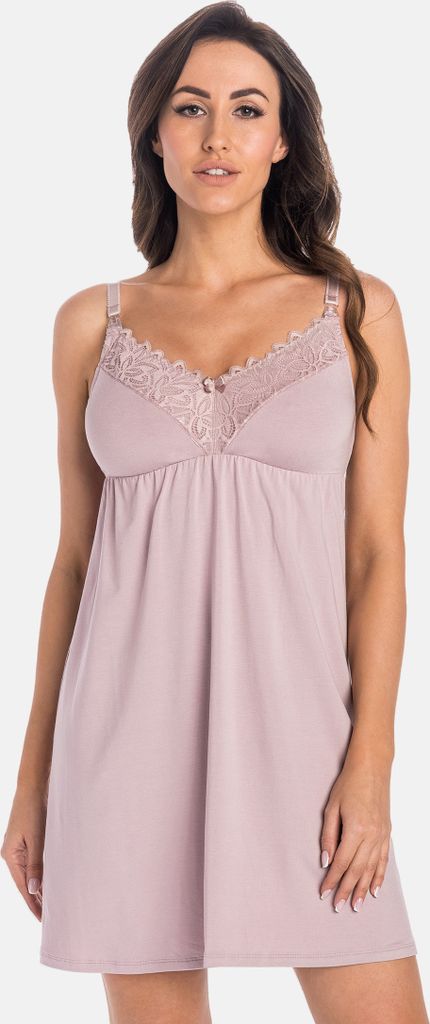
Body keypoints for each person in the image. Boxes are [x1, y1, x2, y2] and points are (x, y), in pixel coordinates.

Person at [1, 3, 428, 1023]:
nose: (217, 136)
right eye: (191, 108)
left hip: (307, 747)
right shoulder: (90, 324)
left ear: (283, 139)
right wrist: (32, 779)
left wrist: (371, 763)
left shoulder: (355, 311)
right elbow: (73, 564)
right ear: (154, 133)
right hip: (123, 752)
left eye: (247, 109)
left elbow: (376, 555)